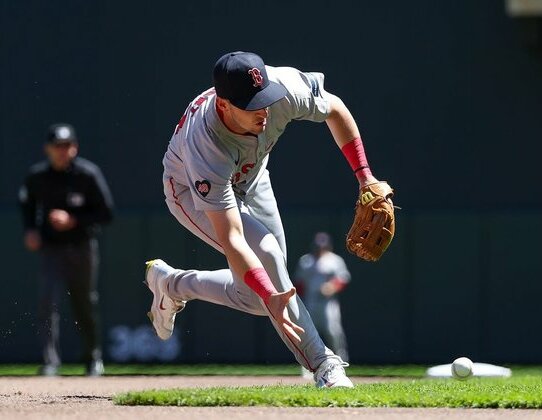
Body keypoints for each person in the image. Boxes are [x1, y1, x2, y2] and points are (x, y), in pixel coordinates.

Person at [145, 51, 384, 388]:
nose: (264, 108)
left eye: (265, 96)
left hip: (253, 178)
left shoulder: (284, 88)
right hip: (190, 192)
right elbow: (233, 240)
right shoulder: (206, 145)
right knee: (268, 259)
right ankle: (325, 365)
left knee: (258, 297)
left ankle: (172, 284)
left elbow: (335, 109)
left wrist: (365, 177)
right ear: (224, 105)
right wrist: (270, 292)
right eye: (252, 103)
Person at [19, 123, 114, 377]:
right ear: (47, 149)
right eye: (57, 146)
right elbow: (27, 205)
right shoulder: (37, 177)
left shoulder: (87, 174)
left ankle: (93, 358)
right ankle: (51, 361)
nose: (62, 151)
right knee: (47, 302)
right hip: (52, 249)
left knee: (84, 303)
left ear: (75, 147)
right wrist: (30, 229)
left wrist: (74, 220)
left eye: (67, 146)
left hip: (82, 247)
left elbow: (106, 213)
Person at [294, 232, 351, 364]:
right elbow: (298, 282)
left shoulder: (335, 260)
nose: (320, 249)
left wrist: (332, 286)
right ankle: (308, 365)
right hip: (310, 301)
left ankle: (341, 362)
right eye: (318, 246)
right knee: (308, 334)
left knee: (333, 331)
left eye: (323, 246)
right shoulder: (306, 261)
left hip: (328, 303)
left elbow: (343, 279)